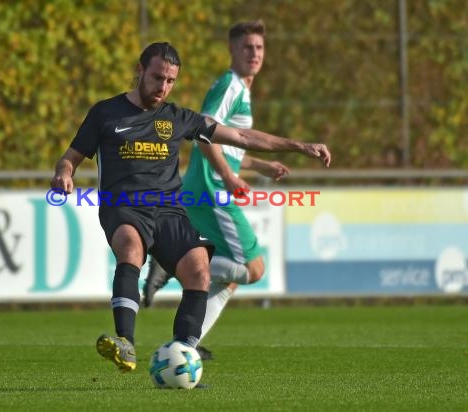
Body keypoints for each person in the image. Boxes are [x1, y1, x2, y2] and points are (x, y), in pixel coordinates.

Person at [51, 41, 331, 373]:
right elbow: (70, 159)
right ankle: (125, 343)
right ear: (140, 70)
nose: (163, 87)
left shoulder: (177, 117)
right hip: (124, 207)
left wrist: (299, 146)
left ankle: (182, 359)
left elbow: (240, 137)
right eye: (157, 78)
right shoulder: (105, 113)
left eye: (170, 81)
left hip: (170, 211)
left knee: (200, 269)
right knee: (130, 249)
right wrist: (63, 174)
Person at [143, 20, 284, 360]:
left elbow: (229, 146)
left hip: (206, 186)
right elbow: (204, 133)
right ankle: (173, 264)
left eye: (259, 48)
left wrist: (259, 166)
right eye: (247, 47)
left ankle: (185, 344)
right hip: (212, 189)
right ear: (232, 50)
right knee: (254, 269)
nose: (254, 53)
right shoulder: (231, 85)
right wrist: (228, 176)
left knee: (230, 278)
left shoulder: (241, 90)